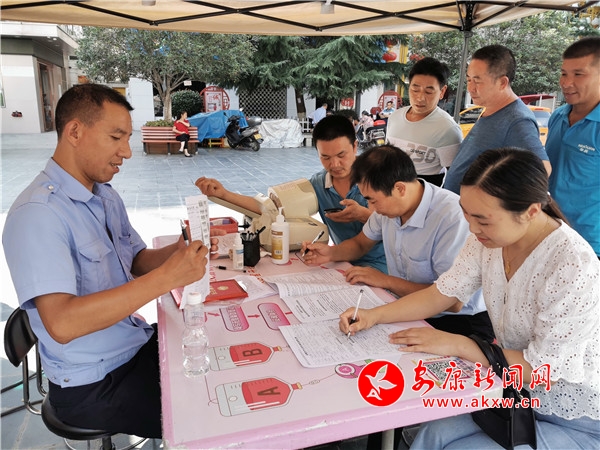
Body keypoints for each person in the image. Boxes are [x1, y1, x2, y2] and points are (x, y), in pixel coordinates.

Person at [340, 148, 600, 449]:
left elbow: (545, 371)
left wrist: (460, 344)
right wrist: (374, 316)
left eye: (483, 221)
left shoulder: (572, 264)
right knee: (432, 434)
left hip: (575, 415)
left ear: (530, 211)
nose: (472, 229)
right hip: (513, 391)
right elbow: (442, 293)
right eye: (466, 213)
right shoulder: (487, 240)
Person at [2, 84, 220, 439]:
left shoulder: (104, 196)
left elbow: (136, 260)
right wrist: (167, 278)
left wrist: (182, 248)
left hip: (131, 343)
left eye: (128, 139)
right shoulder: (38, 215)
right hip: (92, 383)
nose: (127, 152)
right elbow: (62, 323)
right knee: (213, 415)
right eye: (116, 137)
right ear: (75, 132)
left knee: (220, 364)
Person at [303, 145, 492, 340]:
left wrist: (385, 281)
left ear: (400, 188)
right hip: (405, 305)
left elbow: (452, 302)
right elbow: (361, 244)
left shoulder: (451, 218)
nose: (370, 208)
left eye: (373, 200)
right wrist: (330, 253)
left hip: (456, 320)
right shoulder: (389, 208)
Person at [196, 114, 387, 272]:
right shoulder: (318, 183)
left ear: (355, 146)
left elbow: (397, 225)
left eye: (341, 155)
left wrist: (364, 215)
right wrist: (223, 194)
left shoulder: (378, 177)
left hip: (383, 266)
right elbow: (271, 207)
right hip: (342, 262)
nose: (334, 164)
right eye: (325, 157)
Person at [443, 45, 551, 194]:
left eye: (477, 81)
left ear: (502, 83)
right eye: (468, 80)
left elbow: (542, 170)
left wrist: (491, 200)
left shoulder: (517, 121)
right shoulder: (491, 109)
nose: (470, 88)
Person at [547, 36, 600, 258]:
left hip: (590, 244)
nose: (566, 83)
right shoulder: (558, 116)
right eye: (564, 73)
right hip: (550, 233)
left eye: (578, 74)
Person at [386, 56, 462, 186]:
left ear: (442, 91)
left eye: (428, 92)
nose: (420, 98)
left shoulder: (448, 129)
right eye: (415, 90)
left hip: (425, 195)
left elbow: (455, 177)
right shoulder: (394, 118)